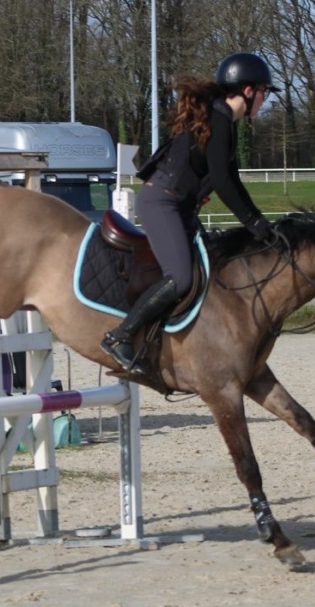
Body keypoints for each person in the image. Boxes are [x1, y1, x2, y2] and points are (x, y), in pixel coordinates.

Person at [101, 52, 280, 374]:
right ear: (248, 90)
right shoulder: (219, 118)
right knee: (181, 278)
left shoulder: (224, 120)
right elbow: (223, 183)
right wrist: (255, 224)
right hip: (162, 202)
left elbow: (233, 182)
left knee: (208, 268)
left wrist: (260, 223)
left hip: (179, 206)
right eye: (264, 92)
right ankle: (121, 336)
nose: (264, 99)